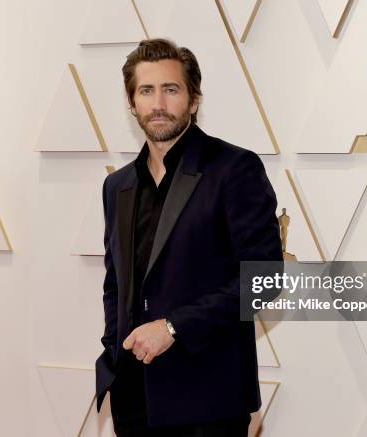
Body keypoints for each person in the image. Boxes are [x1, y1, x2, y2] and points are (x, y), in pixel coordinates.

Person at [95, 38, 282, 436]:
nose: (158, 103)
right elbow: (116, 284)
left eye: (171, 89)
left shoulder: (234, 169)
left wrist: (173, 327)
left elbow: (264, 281)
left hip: (207, 401)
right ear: (132, 103)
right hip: (133, 401)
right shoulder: (117, 186)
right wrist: (114, 349)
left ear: (194, 100)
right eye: (146, 91)